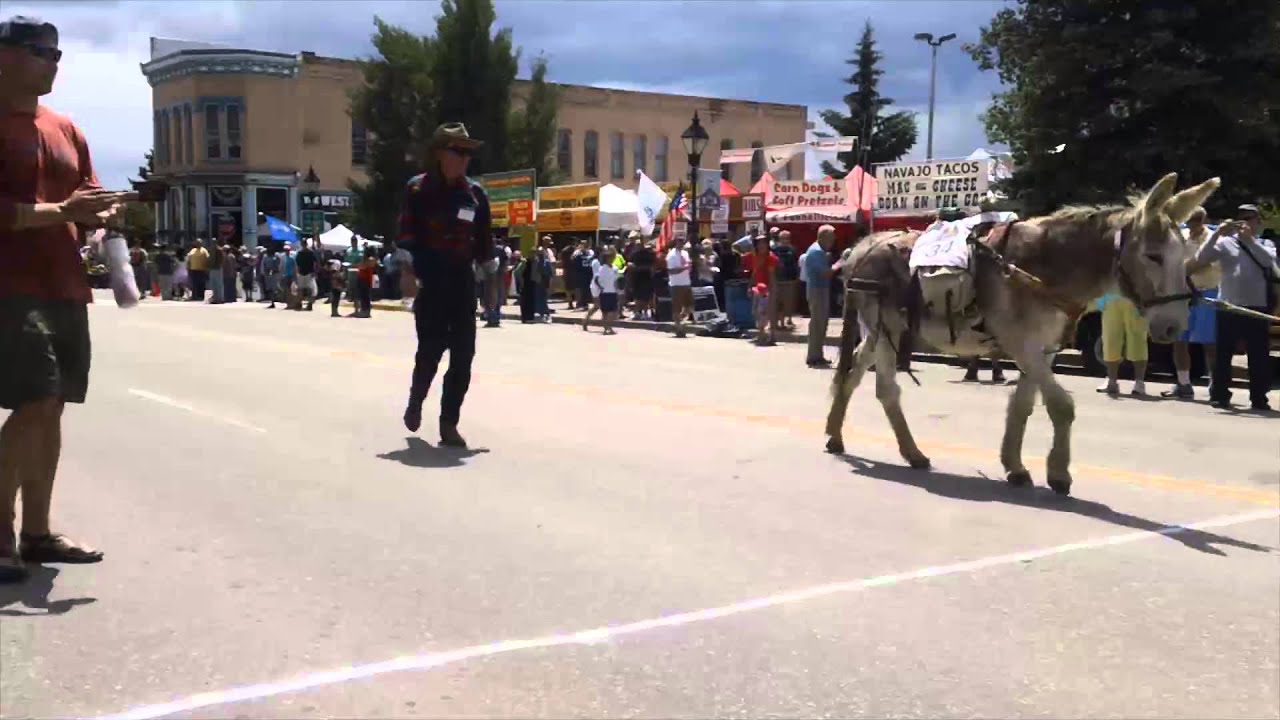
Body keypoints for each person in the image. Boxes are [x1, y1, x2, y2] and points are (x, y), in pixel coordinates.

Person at [1, 15, 125, 581]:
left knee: (52, 410)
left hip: (64, 284)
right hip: (9, 285)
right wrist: (62, 213)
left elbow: (87, 198)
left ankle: (38, 532)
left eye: (57, 52)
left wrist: (106, 214)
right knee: (36, 401)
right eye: (41, 51)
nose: (54, 61)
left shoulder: (66, 127)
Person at [396, 123, 492, 448]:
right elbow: (406, 235)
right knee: (431, 353)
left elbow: (484, 244)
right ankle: (416, 400)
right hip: (431, 282)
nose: (465, 158)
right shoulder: (417, 190)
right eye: (458, 150)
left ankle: (448, 423)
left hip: (463, 282)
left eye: (467, 153)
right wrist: (407, 271)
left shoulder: (475, 195)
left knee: (463, 356)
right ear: (439, 153)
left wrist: (492, 281)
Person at [1192, 206, 1278, 411]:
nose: (1246, 223)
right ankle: (1220, 395)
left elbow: (1268, 261)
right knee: (1223, 355)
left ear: (1258, 222)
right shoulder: (1225, 243)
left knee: (1258, 356)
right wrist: (1216, 235)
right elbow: (1201, 258)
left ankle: (1259, 397)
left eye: (1251, 219)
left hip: (1256, 307)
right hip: (1229, 306)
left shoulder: (1265, 244)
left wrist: (1249, 240)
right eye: (1241, 220)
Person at [1163, 207, 1217, 399]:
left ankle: (1215, 385)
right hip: (1182, 295)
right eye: (1190, 220)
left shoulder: (1213, 239)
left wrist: (1184, 268)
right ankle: (1183, 383)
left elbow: (1206, 264)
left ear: (1204, 220)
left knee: (1210, 342)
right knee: (1179, 340)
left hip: (1206, 293)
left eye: (1196, 220)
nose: (1192, 225)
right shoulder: (1181, 236)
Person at [1095, 291, 1149, 397]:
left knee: (1137, 340)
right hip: (1111, 296)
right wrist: (1101, 298)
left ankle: (1139, 383)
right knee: (1110, 339)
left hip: (1135, 297)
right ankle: (1112, 381)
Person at [802, 225, 836, 366]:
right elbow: (825, 273)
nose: (833, 242)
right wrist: (840, 263)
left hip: (821, 289)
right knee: (817, 324)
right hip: (817, 291)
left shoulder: (820, 251)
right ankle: (813, 356)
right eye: (831, 238)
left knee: (822, 324)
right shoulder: (816, 252)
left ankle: (818, 354)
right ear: (823, 237)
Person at [743, 233, 779, 346]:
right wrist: (750, 286)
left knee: (767, 313)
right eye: (759, 243)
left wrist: (773, 291)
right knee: (757, 313)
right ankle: (762, 334)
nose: (761, 245)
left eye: (764, 243)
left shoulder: (771, 257)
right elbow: (755, 272)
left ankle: (770, 336)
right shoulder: (756, 256)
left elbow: (772, 274)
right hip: (758, 288)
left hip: (767, 289)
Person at [666, 238, 694, 338]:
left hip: (686, 282)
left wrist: (688, 267)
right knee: (677, 307)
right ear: (675, 243)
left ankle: (679, 321)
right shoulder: (671, 255)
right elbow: (671, 271)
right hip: (676, 284)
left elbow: (688, 265)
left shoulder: (685, 253)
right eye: (679, 242)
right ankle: (678, 328)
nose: (681, 243)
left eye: (683, 242)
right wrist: (683, 268)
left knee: (690, 306)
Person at [295, 237, 318, 311]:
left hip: (307, 273)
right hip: (304, 272)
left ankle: (308, 304)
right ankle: (302, 303)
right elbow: (297, 264)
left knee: (308, 289)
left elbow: (314, 263)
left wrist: (314, 272)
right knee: (303, 289)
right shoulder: (302, 253)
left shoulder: (308, 253)